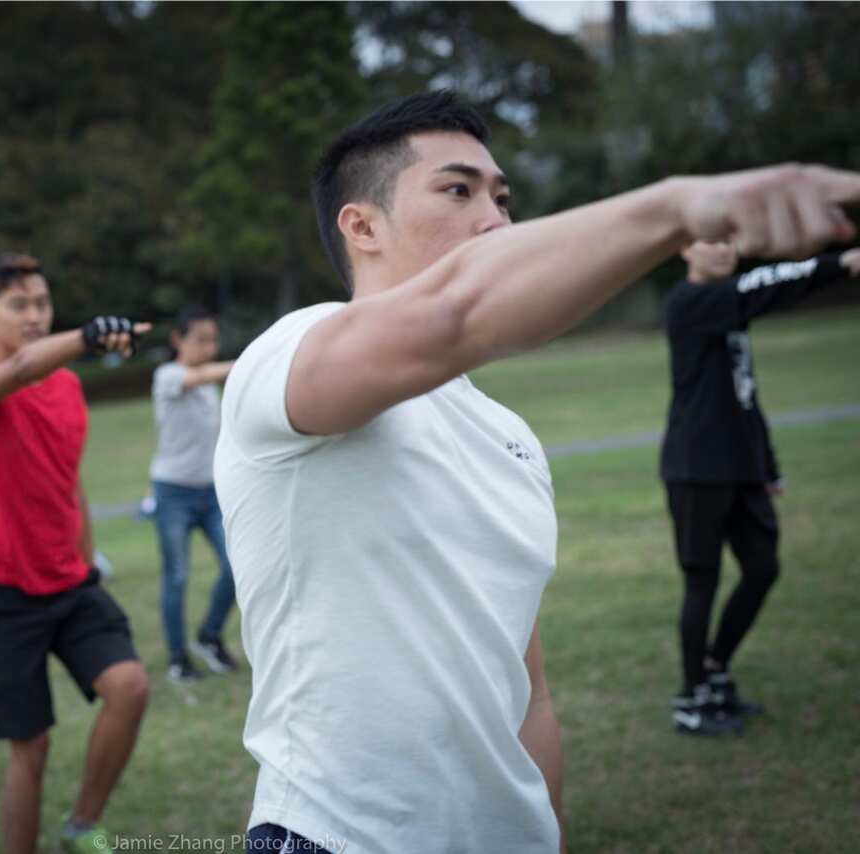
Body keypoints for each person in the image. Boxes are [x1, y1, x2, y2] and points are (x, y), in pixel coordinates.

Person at [212, 89, 860, 854]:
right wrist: (680, 206)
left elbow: (530, 697)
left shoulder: (509, 437)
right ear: (362, 225)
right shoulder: (288, 354)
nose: (495, 219)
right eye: (458, 191)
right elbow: (456, 313)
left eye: (503, 197)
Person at [0, 253, 150, 854]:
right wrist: (87, 337)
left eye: (42, 302)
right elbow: (24, 366)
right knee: (30, 748)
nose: (34, 315)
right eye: (19, 305)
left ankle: (82, 826)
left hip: (70, 582)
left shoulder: (67, 387)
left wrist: (87, 562)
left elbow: (69, 480)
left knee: (130, 686)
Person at [661, 242, 860, 736]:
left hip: (742, 468)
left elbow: (743, 390)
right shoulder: (689, 301)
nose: (726, 249)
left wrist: (766, 463)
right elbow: (762, 288)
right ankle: (692, 701)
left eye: (732, 239)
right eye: (713, 239)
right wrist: (836, 264)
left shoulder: (728, 307)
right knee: (701, 581)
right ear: (686, 247)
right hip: (696, 467)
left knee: (762, 568)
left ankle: (715, 668)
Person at [148, 306, 237, 682]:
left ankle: (209, 635)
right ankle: (177, 658)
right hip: (173, 495)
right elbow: (195, 377)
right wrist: (248, 362)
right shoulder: (168, 376)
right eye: (199, 339)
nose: (207, 347)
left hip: (211, 492)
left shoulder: (207, 385)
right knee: (178, 576)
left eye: (212, 339)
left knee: (237, 565)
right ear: (177, 341)